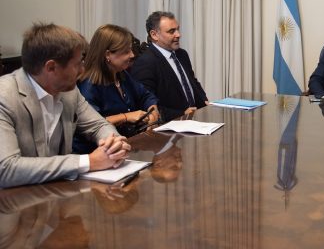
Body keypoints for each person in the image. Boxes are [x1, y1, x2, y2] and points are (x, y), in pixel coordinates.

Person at [0, 23, 131, 189]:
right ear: (51, 67)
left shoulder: (69, 91)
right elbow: (6, 169)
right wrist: (89, 161)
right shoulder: (5, 97)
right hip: (15, 199)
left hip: (59, 192)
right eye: (78, 63)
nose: (83, 70)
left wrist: (114, 145)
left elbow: (98, 125)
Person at [74, 24, 160, 153]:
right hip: (97, 152)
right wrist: (125, 117)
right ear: (107, 55)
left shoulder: (121, 74)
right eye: (126, 51)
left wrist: (153, 112)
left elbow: (146, 96)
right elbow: (91, 123)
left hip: (126, 146)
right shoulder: (88, 85)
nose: (132, 55)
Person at [131, 11, 208, 120]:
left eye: (178, 29)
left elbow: (192, 82)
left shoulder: (182, 54)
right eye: (172, 31)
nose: (178, 35)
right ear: (154, 35)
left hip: (196, 118)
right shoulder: (145, 62)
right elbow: (146, 104)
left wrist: (204, 101)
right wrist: (181, 113)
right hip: (172, 124)